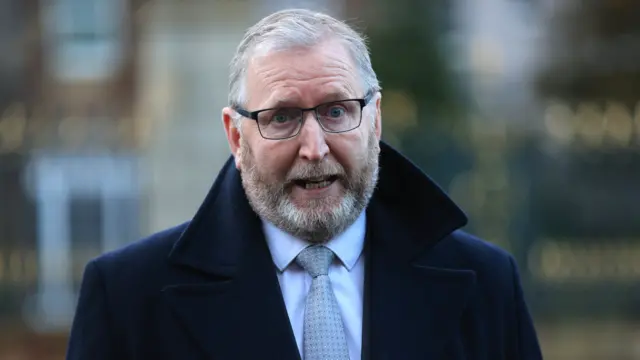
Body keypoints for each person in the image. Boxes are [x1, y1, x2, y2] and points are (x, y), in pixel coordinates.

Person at [66, 8, 543, 360]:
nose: (313, 148)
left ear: (374, 120)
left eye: (336, 111)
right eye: (283, 117)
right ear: (236, 135)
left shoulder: (487, 283)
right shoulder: (128, 299)